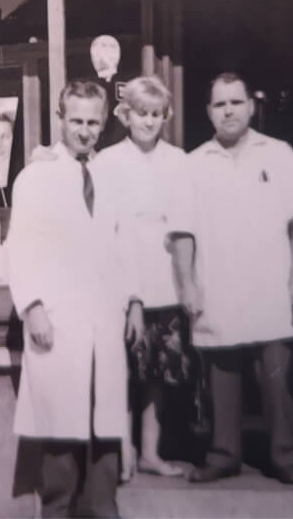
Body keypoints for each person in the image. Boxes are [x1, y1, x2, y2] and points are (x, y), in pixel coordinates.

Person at [6, 80, 141, 518]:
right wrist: (33, 307)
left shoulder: (112, 177)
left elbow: (125, 245)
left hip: (105, 320)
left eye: (93, 123)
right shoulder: (36, 178)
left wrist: (135, 302)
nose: (84, 131)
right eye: (77, 121)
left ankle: (102, 510)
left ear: (103, 124)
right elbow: (20, 247)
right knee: (61, 438)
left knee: (104, 431)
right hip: (57, 321)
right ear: (60, 119)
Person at [171, 72, 293, 486]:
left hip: (270, 285)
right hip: (219, 285)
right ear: (208, 112)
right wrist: (187, 284)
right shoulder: (193, 164)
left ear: (250, 106)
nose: (228, 111)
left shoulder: (279, 154)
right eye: (220, 104)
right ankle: (224, 454)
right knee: (221, 379)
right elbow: (182, 232)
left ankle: (285, 456)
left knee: (276, 380)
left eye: (235, 102)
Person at [95, 75, 191, 478]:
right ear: (125, 115)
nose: (148, 122)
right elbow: (109, 230)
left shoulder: (178, 161)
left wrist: (186, 283)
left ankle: (150, 451)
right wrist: (129, 294)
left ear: (165, 116)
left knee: (156, 373)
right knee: (123, 369)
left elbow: (184, 223)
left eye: (155, 114)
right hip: (120, 280)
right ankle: (124, 451)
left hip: (164, 281)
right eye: (141, 113)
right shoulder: (107, 162)